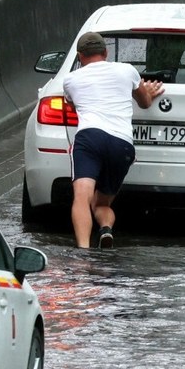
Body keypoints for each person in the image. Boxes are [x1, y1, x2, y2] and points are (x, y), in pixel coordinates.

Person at [62, 31, 165, 248]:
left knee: (82, 197)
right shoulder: (126, 70)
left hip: (90, 138)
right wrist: (149, 92)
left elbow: (73, 105)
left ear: (80, 57)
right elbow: (145, 102)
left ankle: (83, 249)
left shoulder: (70, 80)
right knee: (102, 203)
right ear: (106, 52)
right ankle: (106, 229)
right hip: (121, 144)